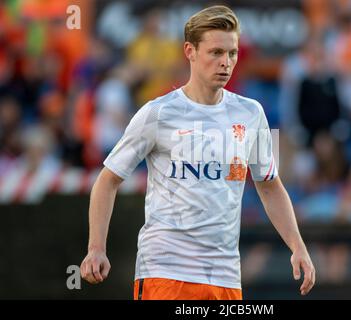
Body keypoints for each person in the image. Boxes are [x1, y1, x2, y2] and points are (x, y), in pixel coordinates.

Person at [80, 5, 315, 300]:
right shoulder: (158, 113)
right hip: (165, 272)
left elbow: (269, 186)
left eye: (232, 53)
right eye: (216, 52)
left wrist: (297, 246)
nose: (226, 63)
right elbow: (107, 180)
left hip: (226, 276)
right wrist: (96, 248)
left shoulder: (251, 113)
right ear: (190, 51)